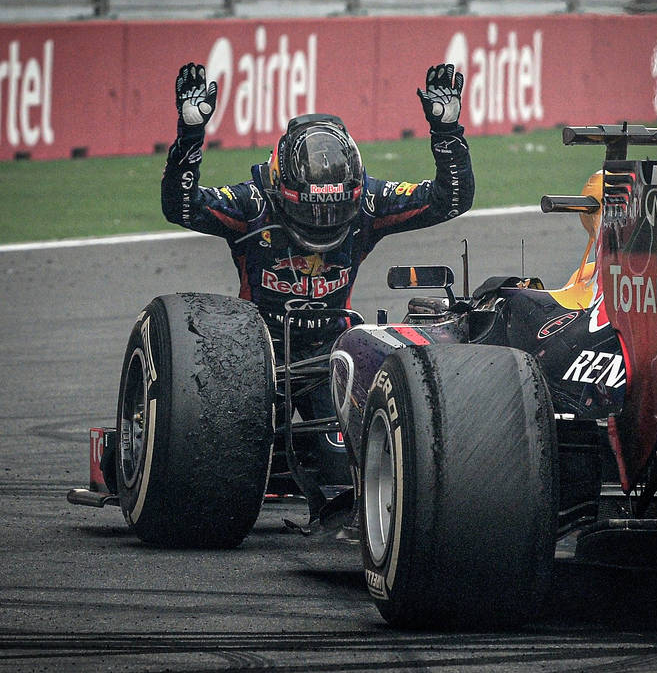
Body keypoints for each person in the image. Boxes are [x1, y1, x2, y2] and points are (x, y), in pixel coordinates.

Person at [161, 61, 475, 497]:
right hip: (254, 355)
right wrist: (190, 135)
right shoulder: (253, 203)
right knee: (229, 465)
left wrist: (446, 132)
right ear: (280, 188)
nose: (322, 221)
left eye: (332, 211)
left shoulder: (369, 201)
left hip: (332, 351)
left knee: (341, 468)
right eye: (311, 210)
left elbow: (449, 201)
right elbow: (182, 207)